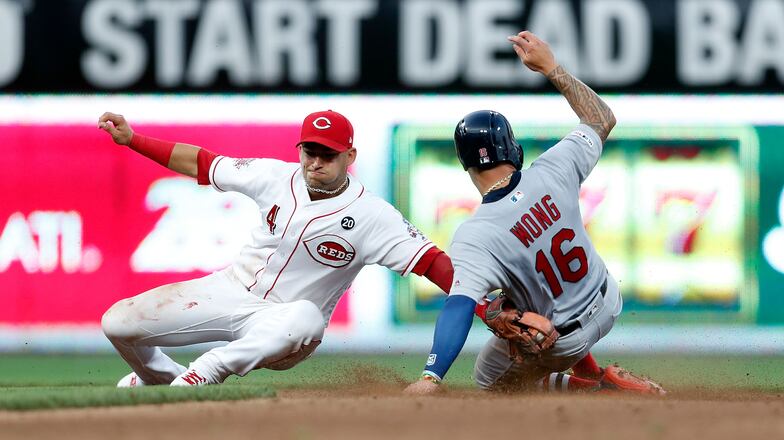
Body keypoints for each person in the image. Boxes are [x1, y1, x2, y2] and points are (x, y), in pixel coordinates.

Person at [98, 109, 455, 386]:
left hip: (285, 325)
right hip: (229, 290)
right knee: (116, 322)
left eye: (328, 154)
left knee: (308, 316)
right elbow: (203, 163)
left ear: (350, 156)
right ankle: (161, 377)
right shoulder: (274, 176)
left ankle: (207, 370)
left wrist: (481, 305)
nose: (315, 162)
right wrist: (133, 140)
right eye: (309, 151)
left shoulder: (373, 215)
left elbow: (432, 262)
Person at [404, 31, 665, 395]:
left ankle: (599, 390)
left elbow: (459, 307)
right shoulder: (554, 167)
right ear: (512, 148)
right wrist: (551, 67)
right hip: (608, 301)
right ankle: (596, 378)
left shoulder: (475, 235)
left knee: (488, 380)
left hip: (561, 340)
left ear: (467, 165)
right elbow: (601, 118)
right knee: (517, 303)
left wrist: (431, 376)